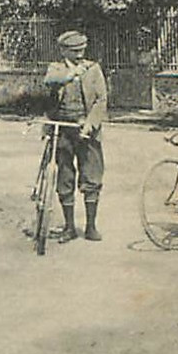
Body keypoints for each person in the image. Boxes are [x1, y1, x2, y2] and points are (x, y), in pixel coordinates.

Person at [42, 29, 108, 243]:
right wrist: (70, 75)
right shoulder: (56, 68)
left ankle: (90, 226)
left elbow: (101, 100)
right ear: (63, 51)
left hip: (86, 130)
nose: (79, 55)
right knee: (65, 176)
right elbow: (50, 81)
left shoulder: (93, 69)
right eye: (74, 51)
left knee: (92, 176)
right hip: (62, 130)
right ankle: (69, 227)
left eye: (82, 50)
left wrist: (90, 125)